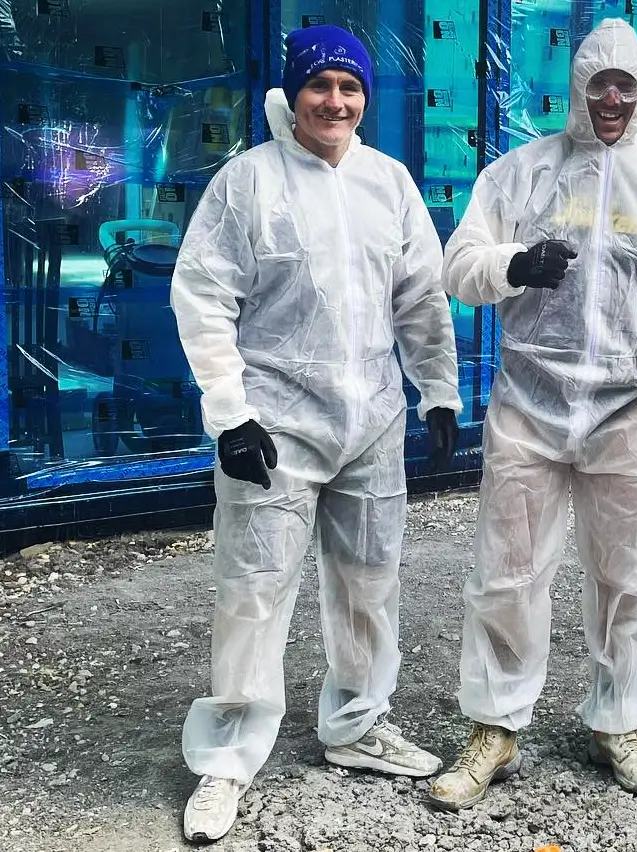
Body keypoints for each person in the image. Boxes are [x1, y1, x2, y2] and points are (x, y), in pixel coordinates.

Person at [427, 17, 637, 811]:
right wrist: (514, 265)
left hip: (623, 408)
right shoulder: (521, 174)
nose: (611, 99)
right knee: (508, 570)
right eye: (599, 84)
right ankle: (495, 726)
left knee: (626, 575)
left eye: (626, 86)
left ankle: (619, 721)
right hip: (529, 404)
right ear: (577, 88)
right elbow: (458, 264)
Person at [169, 25, 463, 843]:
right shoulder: (247, 183)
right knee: (254, 588)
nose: (335, 101)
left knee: (370, 582)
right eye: (320, 85)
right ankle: (227, 755)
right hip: (274, 426)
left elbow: (420, 296)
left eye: (350, 87)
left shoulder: (388, 182)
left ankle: (359, 724)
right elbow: (203, 297)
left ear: (365, 97)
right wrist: (230, 412)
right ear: (293, 92)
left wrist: (438, 391)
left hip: (371, 420)